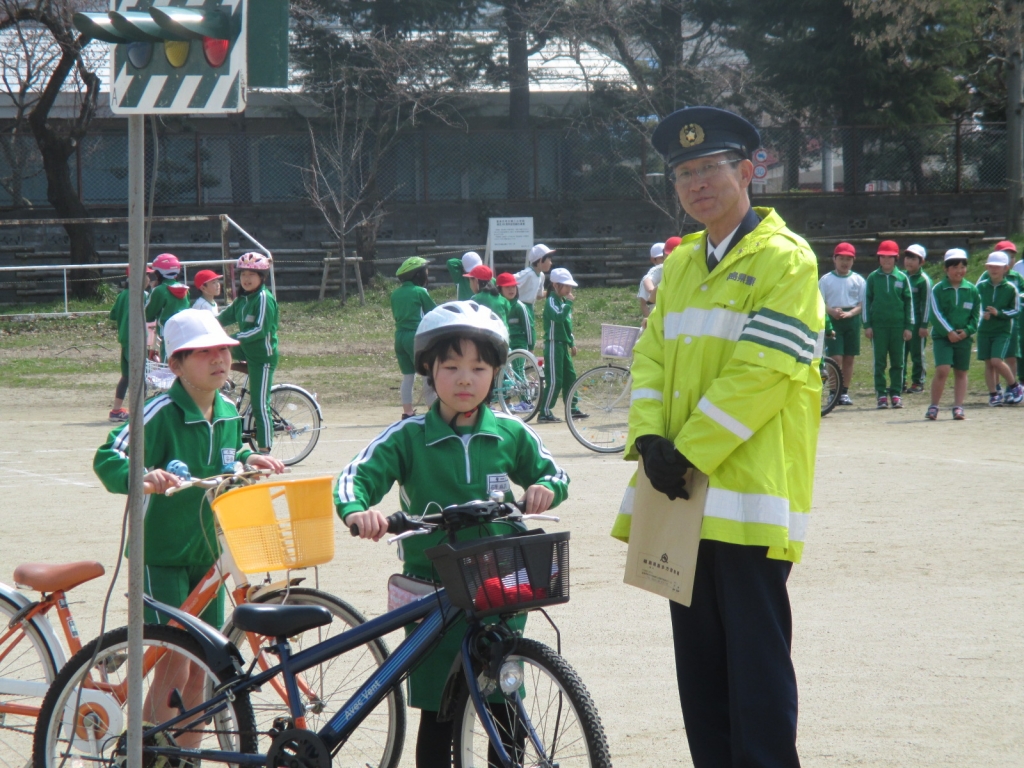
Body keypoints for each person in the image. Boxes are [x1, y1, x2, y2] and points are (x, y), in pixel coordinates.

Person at [622, 106, 824, 768]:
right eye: (683, 173)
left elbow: (763, 372)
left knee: (756, 671)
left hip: (746, 497)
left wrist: (688, 450)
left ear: (746, 171)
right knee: (700, 670)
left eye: (709, 168)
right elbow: (650, 356)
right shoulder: (681, 264)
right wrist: (649, 440)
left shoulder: (786, 261)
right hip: (682, 496)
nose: (696, 183)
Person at [336, 300, 569, 768]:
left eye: (479, 368)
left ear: (496, 372)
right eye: (452, 367)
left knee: (504, 701)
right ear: (429, 369)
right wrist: (358, 511)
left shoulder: (510, 432)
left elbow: (554, 474)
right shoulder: (408, 437)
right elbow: (354, 478)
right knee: (437, 711)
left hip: (501, 584)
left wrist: (545, 488)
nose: (466, 379)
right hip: (432, 589)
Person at [93, 309, 284, 746]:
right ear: (175, 365)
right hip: (160, 553)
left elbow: (225, 459)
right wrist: (143, 476)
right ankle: (150, 752)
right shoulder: (158, 411)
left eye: (223, 350)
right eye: (202, 352)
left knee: (204, 664)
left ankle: (186, 754)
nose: (218, 359)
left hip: (207, 553)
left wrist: (247, 459)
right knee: (174, 662)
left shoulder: (228, 411)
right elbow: (109, 456)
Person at [218, 252, 279, 452]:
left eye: (252, 274)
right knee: (213, 354)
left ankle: (265, 450)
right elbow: (223, 318)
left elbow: (260, 329)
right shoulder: (242, 300)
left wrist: (232, 339)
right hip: (245, 350)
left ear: (262, 277)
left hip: (262, 356)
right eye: (243, 274)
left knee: (260, 404)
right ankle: (224, 383)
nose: (246, 278)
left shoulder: (264, 298)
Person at [926, 249, 981, 421]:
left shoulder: (972, 290)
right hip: (943, 337)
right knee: (942, 369)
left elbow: (976, 316)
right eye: (955, 267)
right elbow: (935, 313)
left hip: (964, 338)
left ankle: (958, 406)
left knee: (961, 371)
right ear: (946, 269)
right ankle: (934, 406)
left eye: (962, 267)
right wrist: (948, 332)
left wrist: (967, 331)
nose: (959, 271)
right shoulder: (938, 289)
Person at [862, 240, 914, 408]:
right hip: (879, 327)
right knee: (880, 362)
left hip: (898, 327)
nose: (886, 260)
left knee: (898, 362)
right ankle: (881, 394)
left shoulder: (902, 278)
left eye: (890, 257)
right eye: (883, 257)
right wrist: (867, 325)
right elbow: (866, 301)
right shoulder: (873, 277)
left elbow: (909, 303)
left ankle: (896, 393)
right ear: (878, 258)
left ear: (896, 258)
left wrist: (909, 326)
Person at [818, 241, 865, 405]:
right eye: (841, 259)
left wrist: (850, 313)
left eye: (848, 259)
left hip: (851, 320)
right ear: (834, 259)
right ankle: (833, 392)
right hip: (833, 320)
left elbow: (862, 304)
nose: (845, 262)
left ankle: (844, 392)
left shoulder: (858, 280)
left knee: (849, 357)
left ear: (853, 260)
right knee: (835, 357)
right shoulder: (826, 279)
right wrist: (831, 311)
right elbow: (819, 301)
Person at [391, 257, 437, 419]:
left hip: (399, 336)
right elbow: (433, 312)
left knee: (408, 376)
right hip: (415, 336)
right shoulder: (420, 292)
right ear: (417, 274)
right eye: (425, 272)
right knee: (427, 373)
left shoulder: (395, 294)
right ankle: (433, 409)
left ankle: (408, 412)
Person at [108, 264, 154, 422]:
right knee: (141, 375)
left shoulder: (122, 295)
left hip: (124, 338)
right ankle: (142, 411)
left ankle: (116, 410)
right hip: (136, 340)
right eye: (146, 275)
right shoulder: (143, 295)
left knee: (127, 375)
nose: (148, 279)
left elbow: (113, 315)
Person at [976, 251, 1022, 405]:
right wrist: (982, 315)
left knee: (996, 360)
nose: (994, 269)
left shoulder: (1010, 288)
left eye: (998, 266)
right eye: (991, 266)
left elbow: (1016, 310)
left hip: (1002, 330)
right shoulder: (980, 286)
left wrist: (999, 313)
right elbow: (974, 305)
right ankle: (994, 394)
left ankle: (1014, 386)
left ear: (1006, 268)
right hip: (984, 330)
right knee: (988, 363)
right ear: (986, 267)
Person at [537, 267, 581, 423]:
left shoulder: (562, 301)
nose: (569, 289)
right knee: (555, 380)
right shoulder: (551, 301)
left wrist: (572, 342)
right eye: (566, 285)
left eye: (570, 286)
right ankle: (545, 412)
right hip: (553, 344)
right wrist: (568, 303)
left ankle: (572, 408)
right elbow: (559, 317)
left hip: (563, 345)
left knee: (570, 376)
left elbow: (567, 324)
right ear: (555, 285)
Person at [145, 253, 190, 360]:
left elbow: (148, 315)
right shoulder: (185, 289)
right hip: (184, 331)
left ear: (158, 273)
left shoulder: (159, 290)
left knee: (168, 362)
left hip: (167, 332)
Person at [901, 244, 931, 393]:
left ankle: (918, 382)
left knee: (917, 353)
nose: (909, 262)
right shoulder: (901, 276)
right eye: (907, 258)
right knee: (901, 353)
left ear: (921, 262)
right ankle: (900, 381)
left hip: (917, 323)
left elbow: (927, 304)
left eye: (913, 259)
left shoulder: (923, 280)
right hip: (902, 322)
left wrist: (924, 325)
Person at [467, 264, 510, 330]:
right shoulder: (503, 299)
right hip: (503, 334)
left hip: (485, 335)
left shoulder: (474, 300)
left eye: (469, 280)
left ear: (476, 281)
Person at [638, 242, 666, 318]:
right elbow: (643, 304)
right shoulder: (657, 270)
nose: (665, 259)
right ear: (653, 260)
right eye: (662, 257)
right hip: (656, 317)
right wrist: (650, 321)